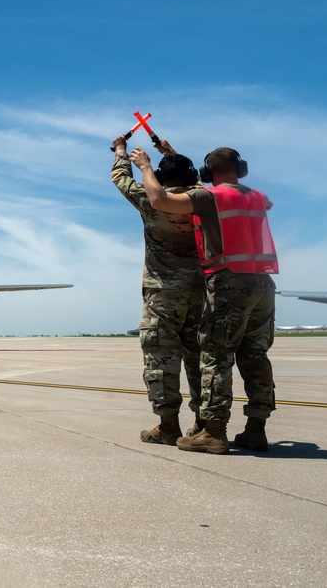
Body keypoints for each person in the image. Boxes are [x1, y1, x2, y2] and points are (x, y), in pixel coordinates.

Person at [129, 145, 278, 454]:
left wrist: (145, 166)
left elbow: (159, 199)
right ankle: (256, 430)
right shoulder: (258, 197)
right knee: (255, 356)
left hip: (229, 281)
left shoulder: (207, 197)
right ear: (243, 169)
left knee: (215, 355)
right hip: (263, 283)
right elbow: (252, 199)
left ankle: (213, 431)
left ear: (208, 174)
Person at [111, 135, 204, 446]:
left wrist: (123, 152)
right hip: (201, 292)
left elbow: (121, 178)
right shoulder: (201, 199)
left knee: (161, 358)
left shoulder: (151, 200)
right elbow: (196, 180)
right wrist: (172, 153)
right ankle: (204, 424)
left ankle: (168, 426)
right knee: (200, 358)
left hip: (162, 294)